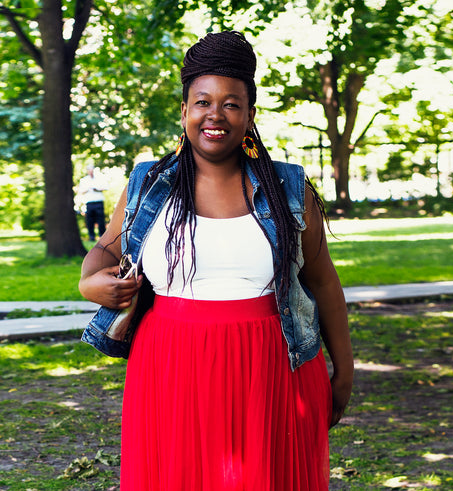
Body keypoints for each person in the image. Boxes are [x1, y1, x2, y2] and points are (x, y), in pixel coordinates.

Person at [78, 31, 353, 490]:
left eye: (231, 104)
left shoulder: (289, 189)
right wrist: (90, 282)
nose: (215, 115)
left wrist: (344, 370)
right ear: (184, 110)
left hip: (272, 369)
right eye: (203, 101)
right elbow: (107, 249)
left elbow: (324, 284)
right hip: (169, 365)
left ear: (249, 116)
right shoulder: (149, 182)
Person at [77, 164, 108, 241]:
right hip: (89, 202)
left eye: (92, 170)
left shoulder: (99, 178)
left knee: (101, 220)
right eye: (89, 170)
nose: (91, 172)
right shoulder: (84, 180)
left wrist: (97, 189)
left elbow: (106, 187)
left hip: (99, 202)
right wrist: (87, 189)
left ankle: (102, 236)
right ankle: (92, 236)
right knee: (90, 220)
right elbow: (81, 191)